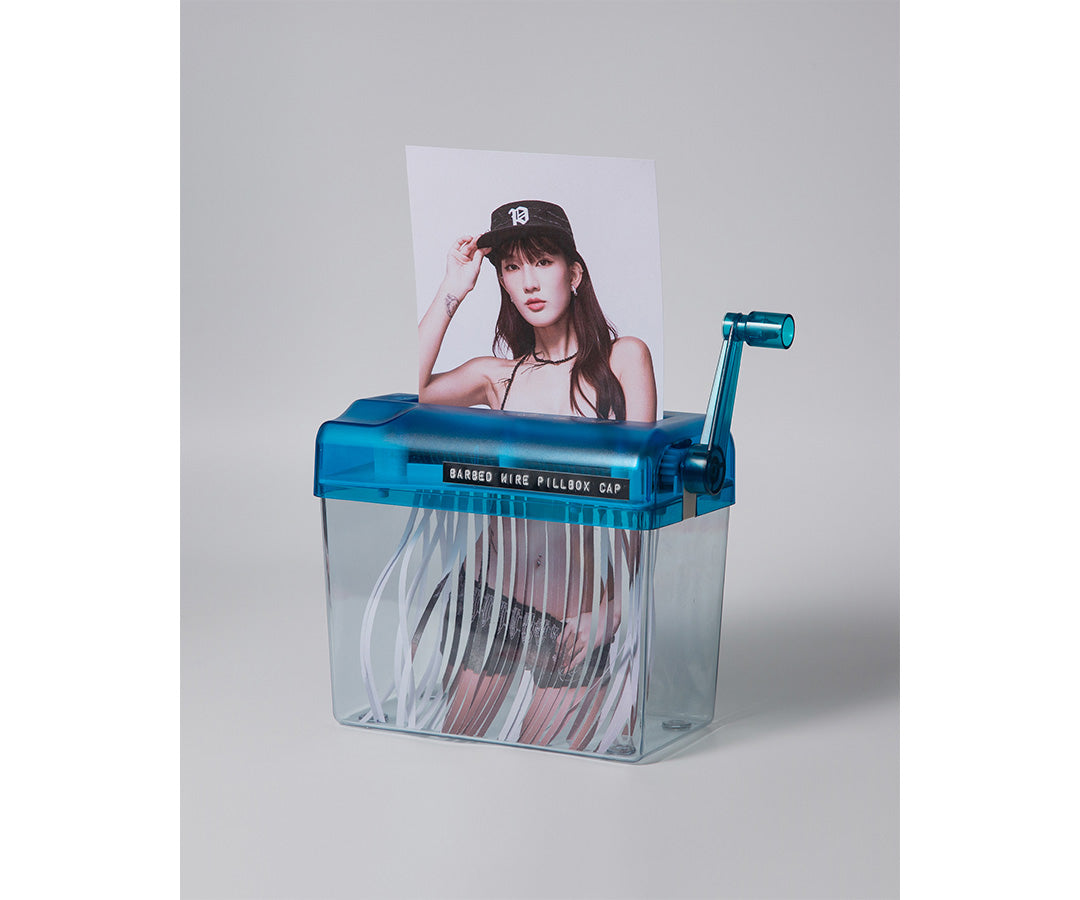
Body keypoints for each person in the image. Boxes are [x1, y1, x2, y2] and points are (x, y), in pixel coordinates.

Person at [416, 200, 656, 749]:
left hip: (576, 617)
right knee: (454, 750)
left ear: (575, 274)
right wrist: (453, 289)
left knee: (548, 761)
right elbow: (413, 389)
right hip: (488, 600)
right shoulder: (496, 377)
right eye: (512, 268)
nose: (528, 282)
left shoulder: (622, 361)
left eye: (543, 262)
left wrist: (613, 612)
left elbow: (638, 500)